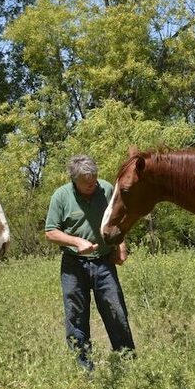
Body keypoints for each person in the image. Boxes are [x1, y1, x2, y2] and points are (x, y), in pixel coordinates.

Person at [45, 155, 136, 371]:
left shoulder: (106, 189)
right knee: (76, 317)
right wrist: (76, 242)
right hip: (73, 266)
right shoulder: (61, 196)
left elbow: (118, 219)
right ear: (74, 180)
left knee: (116, 313)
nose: (92, 184)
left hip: (104, 264)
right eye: (87, 182)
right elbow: (51, 232)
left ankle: (128, 367)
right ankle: (83, 370)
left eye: (94, 179)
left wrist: (121, 245)